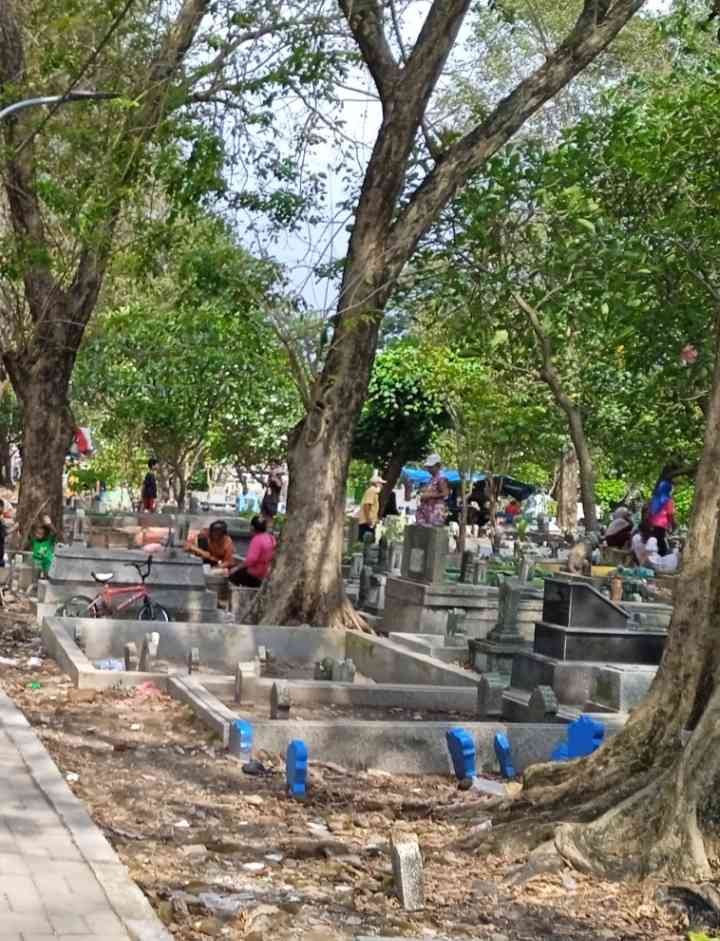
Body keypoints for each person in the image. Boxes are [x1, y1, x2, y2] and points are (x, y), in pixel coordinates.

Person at [228, 515, 276, 587]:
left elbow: (251, 560)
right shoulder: (271, 537)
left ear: (252, 527)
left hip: (256, 574)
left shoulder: (256, 539)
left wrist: (236, 568)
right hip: (267, 573)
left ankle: (241, 596)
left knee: (232, 575)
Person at [415, 454, 450, 526]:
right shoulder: (432, 478)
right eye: (428, 467)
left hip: (435, 512)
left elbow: (445, 493)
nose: (429, 469)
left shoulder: (441, 478)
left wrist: (429, 495)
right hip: (427, 510)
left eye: (431, 467)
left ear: (438, 466)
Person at [647, 472, 676, 556]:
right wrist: (673, 524)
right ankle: (661, 558)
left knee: (654, 541)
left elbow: (649, 511)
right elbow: (670, 514)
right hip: (661, 524)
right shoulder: (668, 500)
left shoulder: (654, 498)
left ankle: (654, 557)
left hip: (652, 523)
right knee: (660, 542)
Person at [357, 474, 385, 540]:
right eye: (381, 484)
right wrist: (368, 520)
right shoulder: (372, 491)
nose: (382, 486)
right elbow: (366, 505)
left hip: (370, 522)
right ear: (376, 484)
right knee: (367, 544)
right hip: (367, 523)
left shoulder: (374, 493)